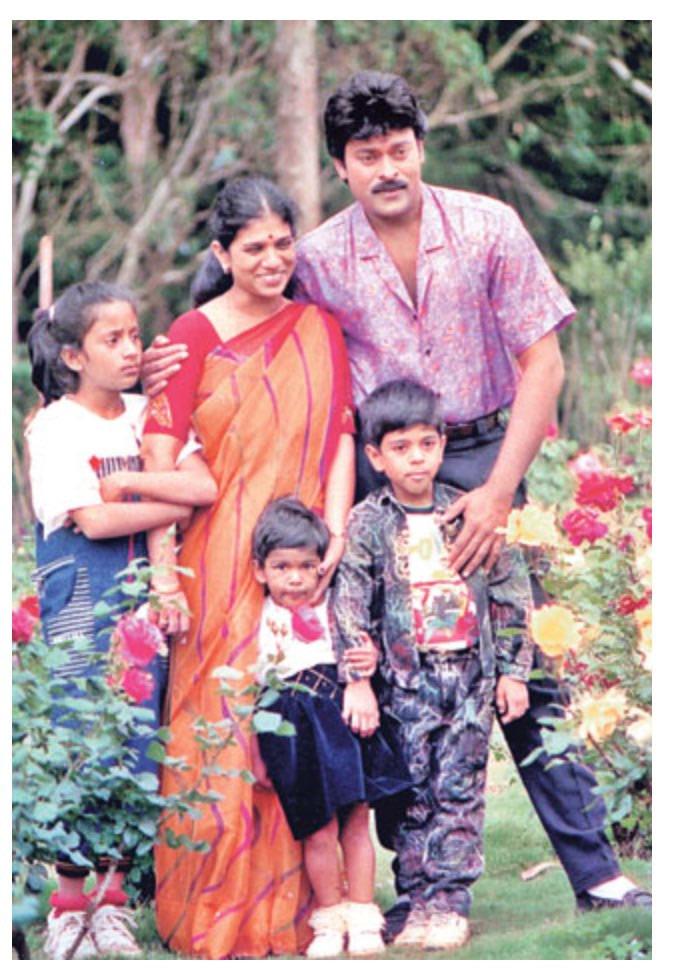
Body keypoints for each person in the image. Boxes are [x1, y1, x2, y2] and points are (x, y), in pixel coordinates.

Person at [140, 72, 650, 916]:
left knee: (520, 660)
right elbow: (243, 308)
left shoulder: (488, 225)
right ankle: (410, 888)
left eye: (399, 150)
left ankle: (597, 874)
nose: (387, 168)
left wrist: (495, 493)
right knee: (381, 675)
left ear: (422, 146)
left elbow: (544, 364)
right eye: (366, 155)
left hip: (485, 450)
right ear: (341, 165)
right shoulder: (323, 256)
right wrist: (167, 355)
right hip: (382, 478)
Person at [141, 177, 357, 959]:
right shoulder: (191, 336)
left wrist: (333, 538)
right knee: (221, 732)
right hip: (215, 563)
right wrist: (164, 575)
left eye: (282, 243)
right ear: (221, 253)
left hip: (298, 565)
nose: (273, 259)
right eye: (254, 247)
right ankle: (215, 908)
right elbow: (159, 460)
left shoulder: (317, 326)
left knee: (299, 722)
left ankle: (306, 913)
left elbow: (337, 437)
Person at [25, 281, 217, 960]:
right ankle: (67, 900)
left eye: (135, 334)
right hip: (80, 585)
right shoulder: (55, 427)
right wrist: (158, 504)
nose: (131, 349)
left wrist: (128, 483)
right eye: (113, 339)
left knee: (136, 735)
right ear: (74, 355)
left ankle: (113, 898)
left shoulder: (150, 414)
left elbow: (203, 488)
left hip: (140, 590)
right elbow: (93, 519)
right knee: (81, 731)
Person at [332, 379, 535, 951]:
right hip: (403, 684)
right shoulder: (369, 524)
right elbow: (349, 601)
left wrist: (514, 670)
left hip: (468, 679)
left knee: (459, 788)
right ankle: (413, 898)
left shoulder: (467, 511)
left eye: (427, 444)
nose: (416, 457)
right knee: (408, 792)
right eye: (401, 448)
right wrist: (360, 680)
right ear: (375, 456)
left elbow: (510, 590)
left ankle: (449, 900)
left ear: (443, 445)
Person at [249, 496, 411, 958]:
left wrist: (370, 659)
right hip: (289, 727)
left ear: (323, 566)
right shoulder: (258, 619)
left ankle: (362, 915)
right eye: (282, 567)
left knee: (355, 820)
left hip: (337, 718)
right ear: (261, 570)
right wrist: (258, 750)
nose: (295, 578)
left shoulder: (334, 607)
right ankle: (328, 917)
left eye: (307, 566)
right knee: (316, 829)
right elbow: (253, 691)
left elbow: (363, 652)